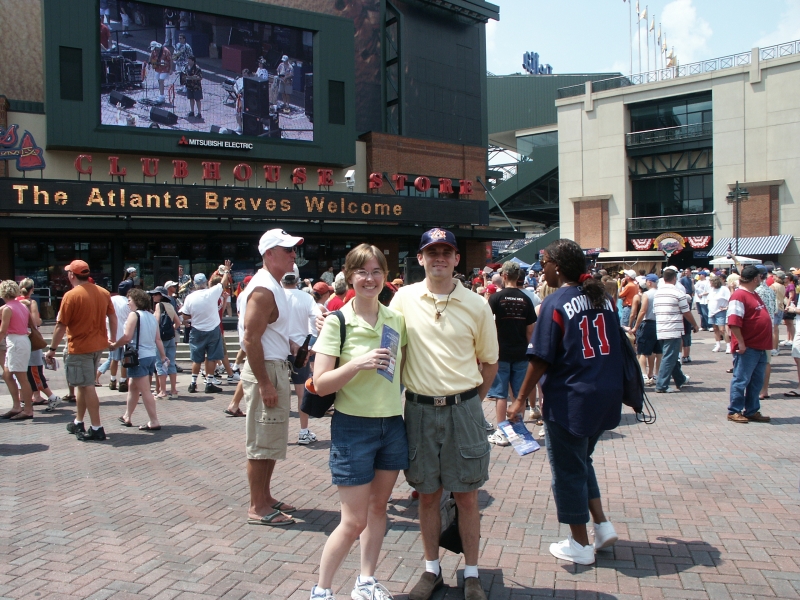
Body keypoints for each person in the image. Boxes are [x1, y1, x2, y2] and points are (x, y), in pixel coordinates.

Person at [389, 227, 499, 600]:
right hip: (419, 409)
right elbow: (382, 338)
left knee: (467, 495)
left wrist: (471, 404)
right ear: (420, 258)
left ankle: (472, 574)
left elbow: (489, 362)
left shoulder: (477, 304)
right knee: (427, 494)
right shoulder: (402, 299)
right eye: (432, 252)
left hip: (463, 409)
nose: (439, 258)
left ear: (456, 259)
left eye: (446, 252)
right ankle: (431, 569)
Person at [508, 238, 622, 566]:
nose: (542, 270)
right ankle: (602, 525)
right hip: (606, 393)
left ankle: (580, 543)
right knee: (582, 461)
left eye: (544, 263)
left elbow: (541, 357)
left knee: (568, 471)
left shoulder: (557, 301)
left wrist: (519, 399)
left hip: (571, 398)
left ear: (557, 267)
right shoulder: (604, 299)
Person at [309, 244, 408, 600]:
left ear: (385, 276)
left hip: (391, 425)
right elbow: (320, 384)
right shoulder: (337, 322)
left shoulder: (396, 319)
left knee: (378, 509)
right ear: (349, 276)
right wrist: (357, 363)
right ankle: (322, 590)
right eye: (362, 272)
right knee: (353, 521)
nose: (370, 278)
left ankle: (366, 581)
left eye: (377, 271)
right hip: (353, 428)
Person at [239, 228, 305, 527]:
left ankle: (265, 497)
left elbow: (265, 334)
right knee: (262, 441)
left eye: (293, 249)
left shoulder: (272, 285)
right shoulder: (264, 289)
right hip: (265, 370)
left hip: (273, 366)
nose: (293, 254)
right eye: (287, 249)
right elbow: (250, 338)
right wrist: (265, 383)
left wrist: (291, 346)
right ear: (269, 253)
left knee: (271, 439)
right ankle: (257, 506)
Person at [46, 260, 117, 441]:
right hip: (97, 345)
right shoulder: (103, 292)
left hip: (79, 347)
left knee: (87, 386)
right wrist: (112, 338)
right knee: (83, 385)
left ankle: (96, 427)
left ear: (72, 275)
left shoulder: (71, 296)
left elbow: (61, 326)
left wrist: (52, 349)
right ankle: (79, 421)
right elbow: (112, 317)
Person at [486, 261, 536, 447]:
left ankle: (502, 431)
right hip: (521, 352)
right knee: (519, 394)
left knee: (500, 395)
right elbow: (530, 330)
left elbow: (487, 324)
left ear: (504, 276)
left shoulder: (496, 298)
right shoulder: (526, 299)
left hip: (501, 352)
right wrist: (531, 350)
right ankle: (518, 430)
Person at [109, 289, 168, 431]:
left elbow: (127, 337)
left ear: (136, 301)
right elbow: (158, 339)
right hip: (149, 356)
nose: (128, 303)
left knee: (145, 390)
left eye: (129, 300)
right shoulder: (152, 316)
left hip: (138, 357)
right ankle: (127, 416)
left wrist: (114, 345)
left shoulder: (134, 315)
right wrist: (163, 356)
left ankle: (154, 421)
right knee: (133, 386)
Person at [726, 265, 772, 424]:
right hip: (748, 346)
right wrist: (741, 342)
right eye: (760, 277)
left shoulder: (752, 294)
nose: (761, 279)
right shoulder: (739, 296)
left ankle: (752, 410)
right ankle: (734, 410)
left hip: (759, 345)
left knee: (756, 381)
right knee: (741, 379)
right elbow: (733, 322)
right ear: (755, 279)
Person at [281, 271, 322, 445]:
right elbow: (318, 319)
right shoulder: (306, 298)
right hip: (300, 350)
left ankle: (277, 433)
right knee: (301, 393)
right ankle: (303, 431)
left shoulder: (276, 294)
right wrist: (313, 346)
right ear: (297, 279)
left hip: (278, 349)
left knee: (278, 392)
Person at [180, 263, 232, 393]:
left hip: (197, 330)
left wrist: (193, 317)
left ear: (195, 284)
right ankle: (209, 383)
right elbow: (223, 283)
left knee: (196, 359)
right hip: (213, 329)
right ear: (205, 282)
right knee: (212, 357)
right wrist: (226, 271)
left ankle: (193, 383)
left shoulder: (190, 297)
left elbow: (185, 315)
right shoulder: (212, 293)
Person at [17, 279, 60, 410]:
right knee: (35, 371)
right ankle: (51, 396)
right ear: (32, 289)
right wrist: (40, 320)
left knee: (23, 373)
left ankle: (24, 398)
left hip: (17, 339)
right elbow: (36, 321)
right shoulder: (31, 302)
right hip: (31, 339)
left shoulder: (14, 302)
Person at [653, 268, 698, 393]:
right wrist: (695, 324)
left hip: (660, 327)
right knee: (669, 357)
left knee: (670, 356)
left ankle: (680, 379)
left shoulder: (658, 293)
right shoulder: (678, 293)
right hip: (673, 329)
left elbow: (655, 311)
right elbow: (686, 312)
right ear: (674, 278)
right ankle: (662, 385)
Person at [0, 281, 34, 420]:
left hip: (16, 342)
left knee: (22, 378)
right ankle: (17, 406)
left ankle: (28, 409)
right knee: (7, 375)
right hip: (20, 340)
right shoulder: (22, 306)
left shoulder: (8, 309)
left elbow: (2, 330)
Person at [151, 286, 181, 399]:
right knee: (171, 363)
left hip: (161, 339)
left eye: (155, 294)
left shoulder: (159, 305)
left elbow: (157, 321)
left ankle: (163, 391)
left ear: (160, 296)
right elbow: (178, 323)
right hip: (171, 338)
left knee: (160, 363)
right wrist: (171, 329)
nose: (153, 296)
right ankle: (173, 390)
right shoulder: (170, 305)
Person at [632, 274, 662, 385]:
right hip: (660, 323)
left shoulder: (647, 294)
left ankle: (644, 375)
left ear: (649, 282)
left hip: (648, 323)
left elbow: (643, 311)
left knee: (642, 351)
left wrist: (636, 326)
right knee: (658, 351)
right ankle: (656, 374)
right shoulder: (661, 293)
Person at [707, 275, 731, 353]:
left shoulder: (724, 289)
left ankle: (728, 346)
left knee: (722, 330)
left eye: (711, 282)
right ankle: (718, 345)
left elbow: (730, 299)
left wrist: (726, 307)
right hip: (711, 312)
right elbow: (709, 298)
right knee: (715, 329)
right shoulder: (712, 289)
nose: (710, 284)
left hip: (720, 311)